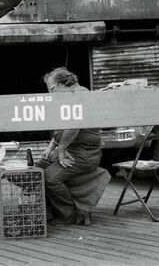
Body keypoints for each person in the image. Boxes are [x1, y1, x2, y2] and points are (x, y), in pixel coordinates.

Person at [36, 67, 111, 226]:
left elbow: (74, 125)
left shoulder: (80, 95)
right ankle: (48, 210)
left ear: (63, 83)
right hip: (72, 150)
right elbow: (62, 129)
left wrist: (61, 150)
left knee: (50, 178)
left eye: (51, 89)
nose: (50, 94)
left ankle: (68, 215)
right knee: (38, 168)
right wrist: (51, 148)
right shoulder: (68, 99)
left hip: (84, 154)